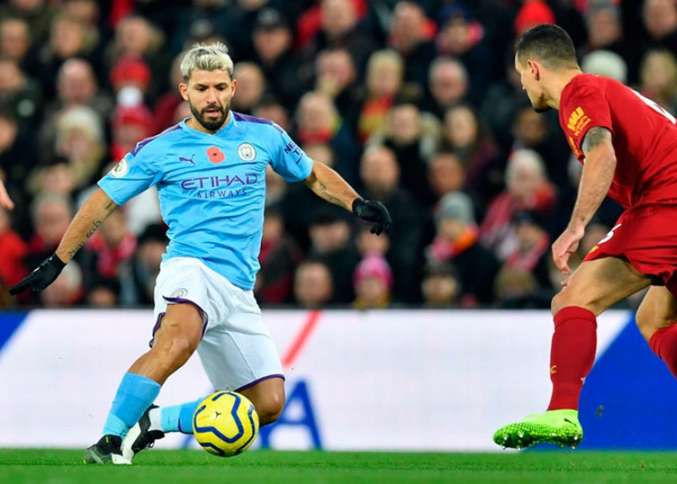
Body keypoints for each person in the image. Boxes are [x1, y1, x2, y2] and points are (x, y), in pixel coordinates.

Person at [9, 42, 391, 465]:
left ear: (234, 88)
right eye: (203, 88)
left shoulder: (263, 135)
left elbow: (313, 174)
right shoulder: (158, 149)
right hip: (190, 269)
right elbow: (101, 202)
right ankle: (111, 440)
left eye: (221, 88)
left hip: (239, 288)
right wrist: (59, 260)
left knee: (268, 402)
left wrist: (356, 203)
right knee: (178, 340)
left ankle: (155, 422)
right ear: (184, 90)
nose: (212, 97)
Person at [492, 25, 677, 470]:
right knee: (654, 318)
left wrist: (575, 227)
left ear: (535, 68)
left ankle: (562, 411)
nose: (522, 86)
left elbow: (602, 153)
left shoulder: (579, 90)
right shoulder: (609, 91)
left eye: (521, 76)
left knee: (572, 298)